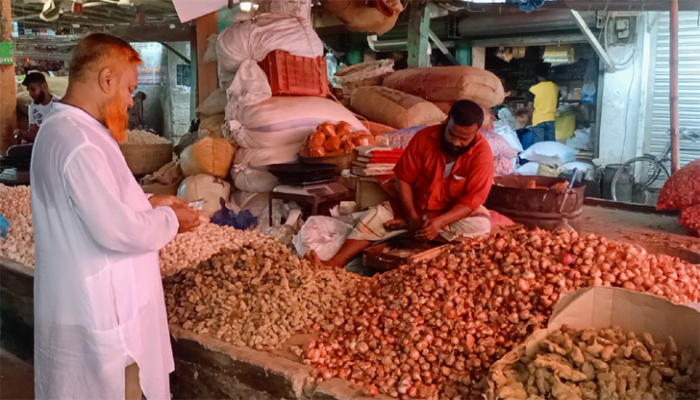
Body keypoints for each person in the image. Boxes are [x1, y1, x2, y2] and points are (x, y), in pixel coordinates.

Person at [30, 33, 201, 400]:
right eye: (127, 88)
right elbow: (116, 230)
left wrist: (151, 202)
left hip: (85, 304)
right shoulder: (81, 142)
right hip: (103, 313)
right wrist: (173, 222)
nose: (129, 101)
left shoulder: (65, 129)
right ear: (106, 79)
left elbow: (95, 200)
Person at [309, 100, 494, 268]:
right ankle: (333, 263)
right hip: (414, 206)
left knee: (481, 224)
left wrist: (438, 222)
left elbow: (471, 200)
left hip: (448, 213)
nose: (455, 142)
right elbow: (403, 181)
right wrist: (413, 217)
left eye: (464, 139)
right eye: (452, 134)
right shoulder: (424, 138)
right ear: (446, 122)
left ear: (476, 132)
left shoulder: (482, 154)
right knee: (374, 216)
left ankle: (410, 227)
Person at [16, 72, 62, 143]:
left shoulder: (60, 105)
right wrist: (23, 134)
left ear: (44, 86)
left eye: (33, 89)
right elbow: (33, 132)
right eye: (29, 91)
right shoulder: (33, 107)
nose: (31, 94)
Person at [527, 63, 559, 143]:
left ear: (536, 76)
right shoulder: (554, 87)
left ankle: (540, 156)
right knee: (551, 144)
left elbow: (529, 107)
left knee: (539, 145)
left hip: (538, 119)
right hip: (550, 118)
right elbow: (557, 104)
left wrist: (519, 112)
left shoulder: (533, 89)